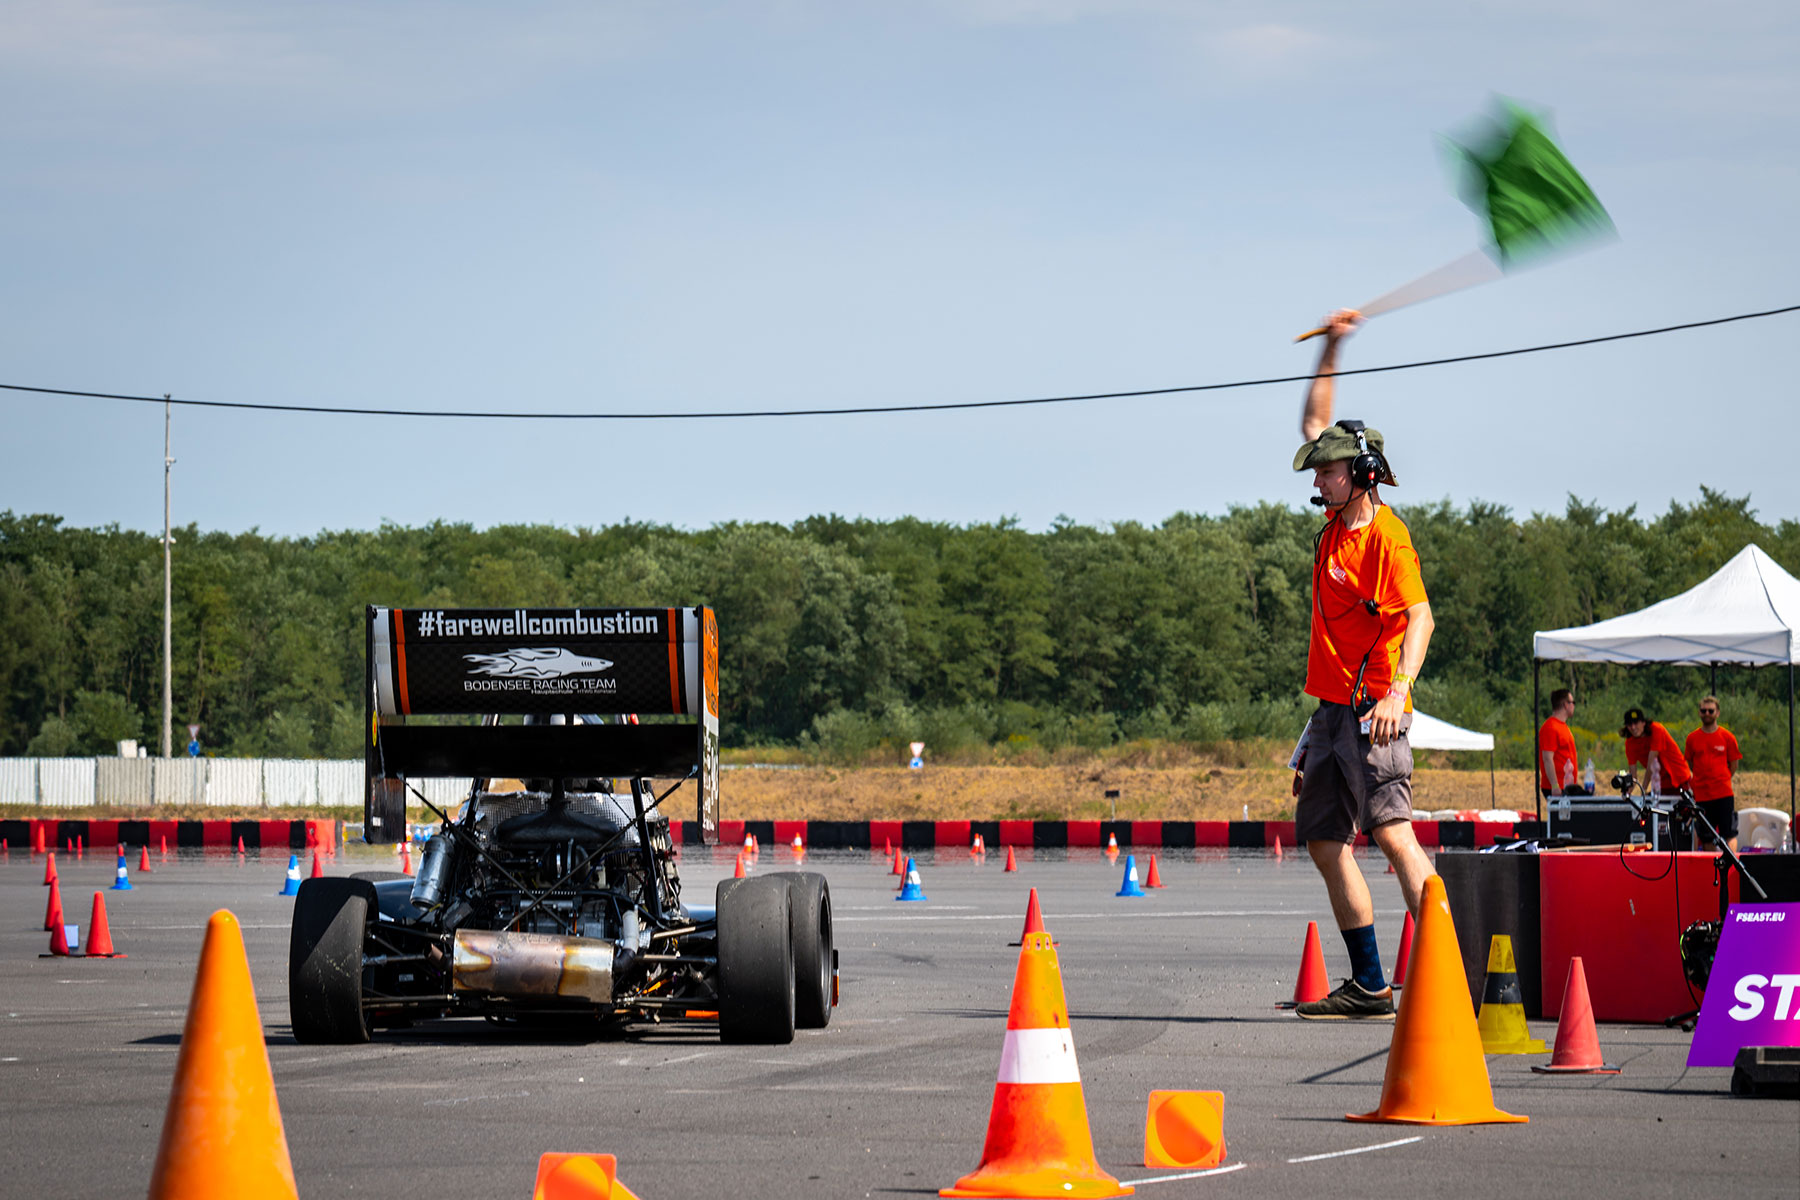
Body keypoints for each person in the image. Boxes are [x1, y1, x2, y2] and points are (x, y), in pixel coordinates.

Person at [1288, 308, 1435, 1021]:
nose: (1318, 480)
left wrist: (1398, 692)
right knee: (1323, 841)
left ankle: (1449, 979)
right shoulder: (1334, 527)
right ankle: (1372, 984)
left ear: (1364, 473)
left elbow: (1420, 618)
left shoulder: (1386, 539)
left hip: (1375, 714)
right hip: (1330, 713)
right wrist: (1333, 346)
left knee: (1393, 833)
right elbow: (1315, 422)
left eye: (1330, 472)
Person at [1684, 696, 1742, 850]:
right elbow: (1690, 762)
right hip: (1702, 795)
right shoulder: (1692, 738)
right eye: (1704, 710)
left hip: (1723, 794)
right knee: (1706, 836)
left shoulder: (1727, 737)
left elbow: (1734, 764)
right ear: (1699, 713)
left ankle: (1730, 868)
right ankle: (1710, 870)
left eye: (1711, 710)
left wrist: (1722, 778)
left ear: (1718, 713)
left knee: (1729, 834)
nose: (1707, 713)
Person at [1622, 707, 1690, 797]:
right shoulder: (1630, 742)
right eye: (1629, 724)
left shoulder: (1656, 730)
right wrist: (1627, 792)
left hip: (1678, 778)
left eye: (1636, 723)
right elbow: (1633, 774)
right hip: (1661, 783)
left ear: (1643, 723)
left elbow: (1651, 764)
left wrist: (1643, 790)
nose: (1633, 727)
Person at [1538, 688, 1580, 796]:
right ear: (1566, 705)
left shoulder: (1563, 726)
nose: (1574, 706)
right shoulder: (1551, 727)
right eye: (1572, 702)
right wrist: (1555, 785)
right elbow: (1547, 758)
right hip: (1557, 787)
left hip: (1567, 785)